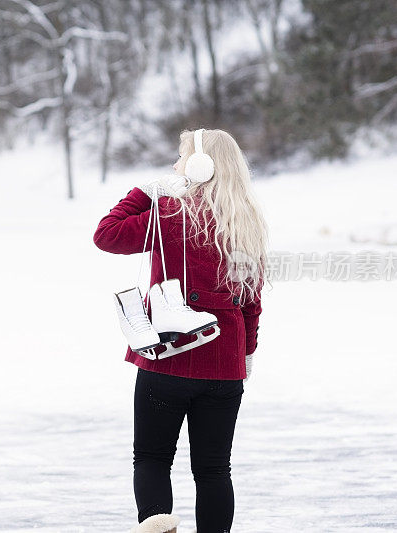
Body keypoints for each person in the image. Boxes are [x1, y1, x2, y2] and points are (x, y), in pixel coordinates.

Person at [93, 129, 269, 533]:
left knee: (153, 460)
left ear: (198, 166)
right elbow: (251, 303)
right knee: (213, 469)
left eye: (181, 157)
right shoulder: (248, 224)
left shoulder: (170, 212)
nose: (175, 166)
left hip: (167, 361)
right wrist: (245, 354)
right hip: (225, 367)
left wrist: (145, 192)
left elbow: (106, 234)